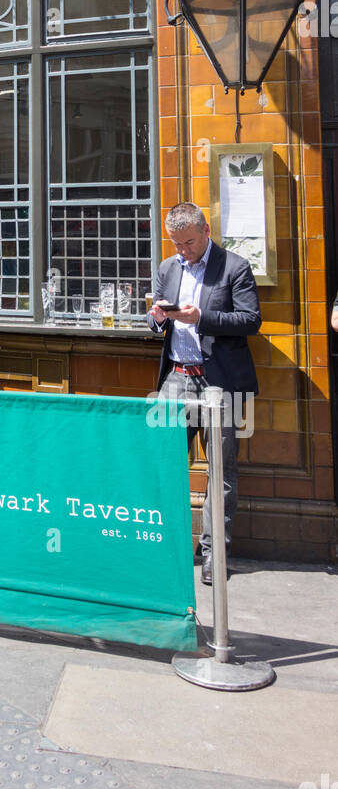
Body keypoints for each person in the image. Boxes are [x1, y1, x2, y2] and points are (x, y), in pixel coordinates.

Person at [149, 202, 261, 585]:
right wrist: (156, 317)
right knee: (163, 464)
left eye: (189, 243)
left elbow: (250, 321)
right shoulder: (168, 267)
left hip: (219, 383)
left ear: (206, 231)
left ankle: (216, 554)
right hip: (175, 380)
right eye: (177, 244)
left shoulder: (235, 267)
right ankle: (168, 546)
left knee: (221, 473)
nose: (183, 251)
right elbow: (156, 320)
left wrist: (202, 318)